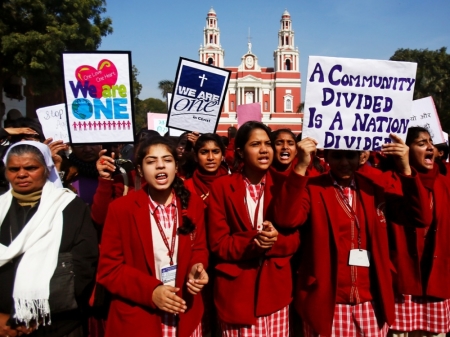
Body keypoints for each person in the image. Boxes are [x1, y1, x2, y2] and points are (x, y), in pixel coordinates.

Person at [273, 134, 430, 337]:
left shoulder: (375, 188)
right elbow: (286, 219)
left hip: (371, 300)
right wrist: (301, 166)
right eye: (337, 156)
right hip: (327, 301)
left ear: (361, 157)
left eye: (350, 155)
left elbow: (421, 218)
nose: (344, 162)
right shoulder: (312, 188)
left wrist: (406, 169)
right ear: (326, 157)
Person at [97, 136, 209, 337]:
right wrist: (151, 292)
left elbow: (199, 248)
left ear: (176, 166)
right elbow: (109, 269)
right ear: (140, 170)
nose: (160, 166)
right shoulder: (121, 209)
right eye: (151, 162)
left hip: (184, 312)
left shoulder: (193, 204)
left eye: (167, 160)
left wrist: (197, 268)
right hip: (139, 317)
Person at [208, 121, 300, 336]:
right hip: (237, 292)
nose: (264, 150)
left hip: (275, 291)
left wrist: (276, 240)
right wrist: (255, 242)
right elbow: (218, 243)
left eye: (268, 143)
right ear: (240, 151)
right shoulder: (222, 187)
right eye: (255, 144)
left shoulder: (285, 184)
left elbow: (295, 237)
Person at [0, 141, 98, 337]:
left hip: (59, 324)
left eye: (30, 168)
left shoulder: (70, 206)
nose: (21, 174)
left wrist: (37, 313)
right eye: (13, 169)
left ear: (46, 169)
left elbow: (83, 264)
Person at [385, 127, 450, 336]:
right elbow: (420, 217)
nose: (430, 147)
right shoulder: (388, 181)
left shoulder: (446, 182)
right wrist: (405, 170)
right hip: (402, 281)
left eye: (431, 143)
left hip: (436, 279)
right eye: (421, 143)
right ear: (404, 149)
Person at [184, 133, 229, 207]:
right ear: (196, 157)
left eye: (215, 152)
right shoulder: (187, 186)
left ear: (222, 156)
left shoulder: (232, 184)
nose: (210, 157)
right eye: (204, 152)